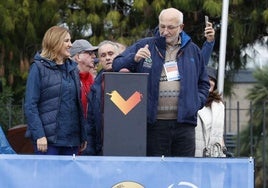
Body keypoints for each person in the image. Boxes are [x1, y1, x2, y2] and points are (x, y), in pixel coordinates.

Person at [112, 8, 215, 157]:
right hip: (154, 124)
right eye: (162, 26)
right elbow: (116, 65)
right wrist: (134, 58)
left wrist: (195, 103)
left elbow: (203, 82)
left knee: (183, 173)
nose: (165, 31)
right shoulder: (146, 45)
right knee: (157, 173)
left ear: (181, 27)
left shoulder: (193, 50)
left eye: (171, 27)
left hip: (184, 124)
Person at [24, 26, 87, 155]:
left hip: (72, 141)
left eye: (70, 41)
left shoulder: (73, 69)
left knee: (69, 176)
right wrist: (39, 135)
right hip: (48, 142)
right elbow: (30, 105)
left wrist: (82, 135)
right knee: (47, 175)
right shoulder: (38, 68)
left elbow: (77, 105)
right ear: (54, 42)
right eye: (66, 41)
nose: (70, 45)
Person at [82, 40, 121, 155]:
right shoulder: (95, 87)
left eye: (111, 54)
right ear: (99, 61)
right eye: (103, 56)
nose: (107, 58)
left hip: (128, 148)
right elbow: (90, 124)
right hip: (102, 149)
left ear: (119, 56)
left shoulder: (133, 79)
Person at [195, 66, 226, 157]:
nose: (210, 82)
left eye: (212, 80)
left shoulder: (218, 105)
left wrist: (223, 149)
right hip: (196, 151)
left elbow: (219, 131)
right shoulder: (192, 100)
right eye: (206, 78)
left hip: (214, 153)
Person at [70, 39, 98, 118]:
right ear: (78, 56)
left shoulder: (93, 80)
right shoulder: (68, 80)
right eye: (90, 53)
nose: (94, 56)